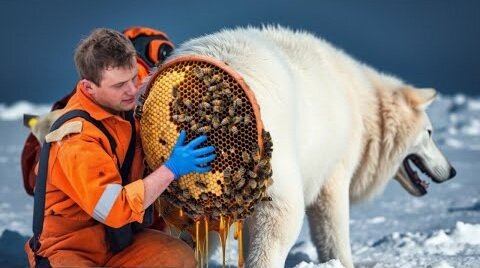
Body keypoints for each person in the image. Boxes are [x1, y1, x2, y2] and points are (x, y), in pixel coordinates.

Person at [24, 28, 215, 267]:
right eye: (119, 85)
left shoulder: (127, 110)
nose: (132, 90)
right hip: (69, 247)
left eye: (134, 78)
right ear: (88, 86)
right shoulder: (76, 140)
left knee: (180, 257)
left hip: (116, 242)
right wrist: (171, 169)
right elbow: (115, 209)